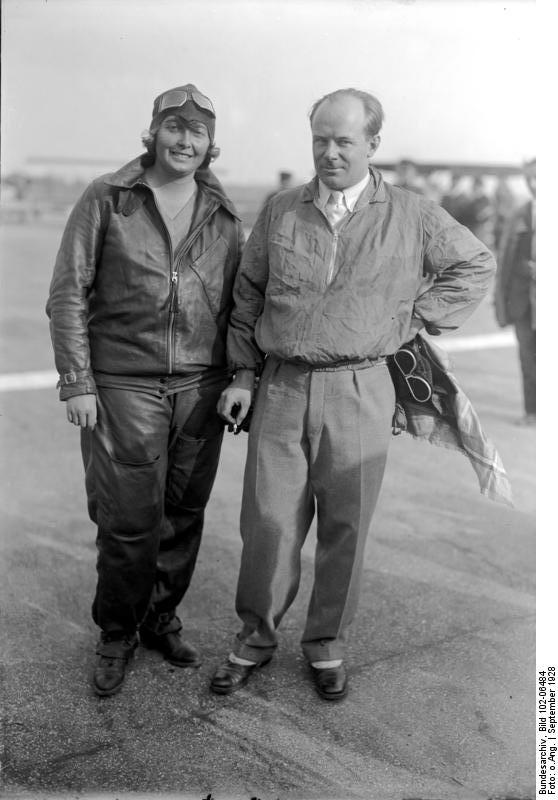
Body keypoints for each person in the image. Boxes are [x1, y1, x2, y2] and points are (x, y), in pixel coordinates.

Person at [209, 87, 496, 701]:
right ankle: (253, 639)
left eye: (343, 140)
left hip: (362, 389)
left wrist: (412, 318)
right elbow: (249, 295)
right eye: (320, 139)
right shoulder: (283, 208)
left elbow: (475, 264)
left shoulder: (414, 214)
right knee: (267, 524)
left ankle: (326, 645)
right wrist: (241, 374)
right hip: (282, 386)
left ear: (372, 144)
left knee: (347, 526)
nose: (330, 152)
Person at [46, 83, 244, 696]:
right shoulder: (109, 198)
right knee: (129, 518)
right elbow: (67, 294)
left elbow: (241, 304)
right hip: (124, 382)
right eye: (174, 127)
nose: (185, 140)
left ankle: (160, 617)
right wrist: (78, 381)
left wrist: (241, 374)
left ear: (211, 144)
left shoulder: (225, 212)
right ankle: (116, 632)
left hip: (201, 386)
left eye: (198, 131)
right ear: (153, 131)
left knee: (182, 513)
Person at [494, 158, 536, 425]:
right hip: (523, 301)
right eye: (529, 178)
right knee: (527, 357)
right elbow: (507, 260)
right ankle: (532, 412)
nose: (533, 184)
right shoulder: (520, 213)